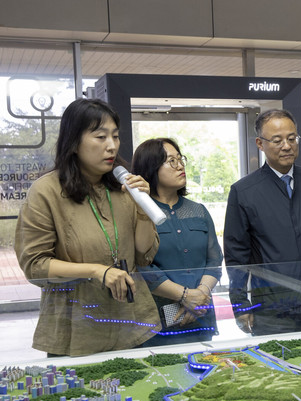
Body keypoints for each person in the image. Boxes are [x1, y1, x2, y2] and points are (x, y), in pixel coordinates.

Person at [14, 98, 160, 356]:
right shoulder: (46, 191)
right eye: (100, 137)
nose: (111, 145)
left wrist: (143, 208)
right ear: (73, 142)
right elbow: (35, 266)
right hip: (76, 325)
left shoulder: (124, 187)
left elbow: (143, 255)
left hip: (130, 320)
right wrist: (96, 270)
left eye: (115, 136)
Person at [223, 109, 301, 335]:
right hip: (271, 308)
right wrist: (240, 304)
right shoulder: (244, 192)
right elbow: (236, 255)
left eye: (292, 138)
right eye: (277, 140)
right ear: (260, 143)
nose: (287, 146)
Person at [132, 138, 223, 346]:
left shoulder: (198, 210)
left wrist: (199, 296)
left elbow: (214, 260)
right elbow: (141, 266)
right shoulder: (140, 213)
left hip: (201, 314)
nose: (180, 166)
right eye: (171, 161)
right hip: (157, 320)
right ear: (151, 168)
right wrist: (184, 296)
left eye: (180, 159)